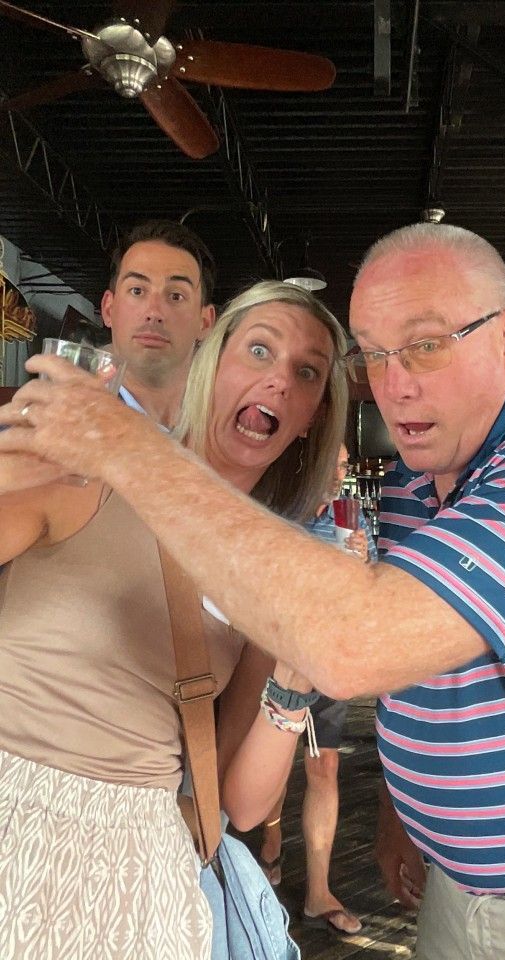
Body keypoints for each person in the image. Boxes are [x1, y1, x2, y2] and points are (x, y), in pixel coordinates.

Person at [0, 224, 505, 960]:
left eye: (425, 343)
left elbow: (345, 657)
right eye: (374, 352)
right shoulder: (409, 475)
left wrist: (127, 445)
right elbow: (425, 666)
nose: (396, 380)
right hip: (451, 889)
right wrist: (405, 813)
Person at [0, 279, 348, 959]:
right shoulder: (89, 471)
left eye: (306, 372)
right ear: (210, 361)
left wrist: (294, 679)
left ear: (311, 414)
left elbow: (243, 806)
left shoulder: (271, 572)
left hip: (139, 859)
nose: (278, 380)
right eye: (259, 349)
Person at [259, 442, 376, 937]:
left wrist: (364, 563)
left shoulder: (350, 517)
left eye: (345, 466)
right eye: (333, 463)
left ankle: (318, 892)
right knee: (273, 766)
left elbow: (366, 589)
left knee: (324, 765)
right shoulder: (275, 508)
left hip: (329, 656)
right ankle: (267, 856)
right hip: (275, 657)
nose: (339, 473)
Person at [104, 219, 216, 428]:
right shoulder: (62, 420)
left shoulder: (229, 433)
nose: (154, 312)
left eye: (175, 296)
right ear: (108, 309)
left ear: (205, 322)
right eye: (137, 291)